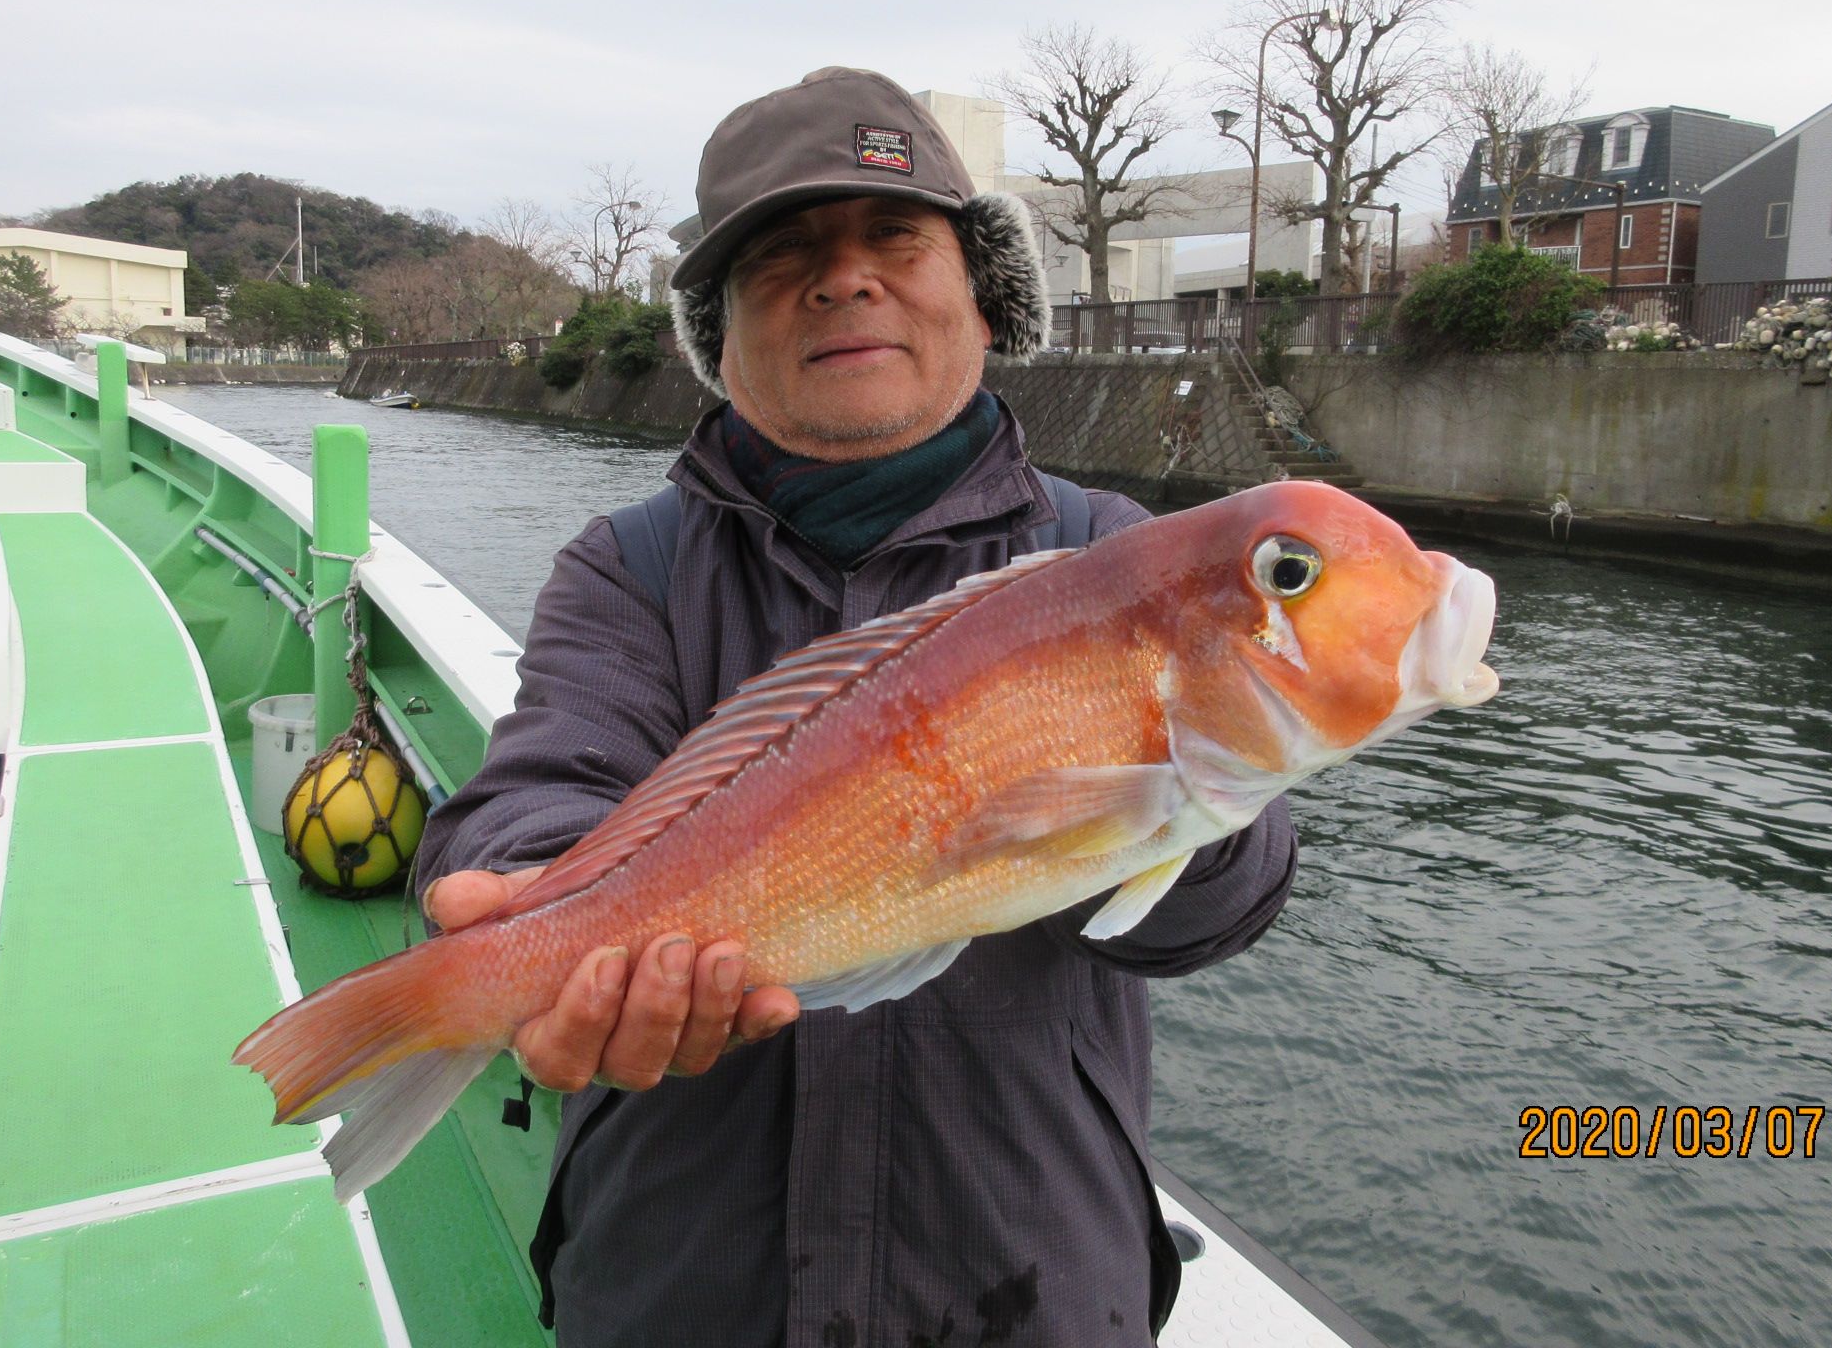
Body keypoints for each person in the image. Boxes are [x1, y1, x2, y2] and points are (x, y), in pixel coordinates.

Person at [414, 67, 1299, 1347]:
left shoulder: (1120, 557)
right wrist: (532, 906)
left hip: (1034, 1281)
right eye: (781, 255)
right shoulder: (629, 567)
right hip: (677, 1290)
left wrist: (1173, 785)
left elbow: (1208, 921)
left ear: (985, 294)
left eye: (895, 236)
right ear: (717, 335)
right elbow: (542, 786)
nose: (844, 279)